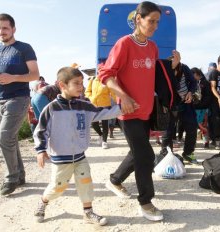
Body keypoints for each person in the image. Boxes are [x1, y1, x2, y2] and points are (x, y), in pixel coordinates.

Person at [99, 1, 179, 221]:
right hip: (127, 111)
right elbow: (105, 75)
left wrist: (173, 67)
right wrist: (123, 96)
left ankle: (115, 180)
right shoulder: (124, 44)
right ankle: (145, 202)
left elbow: (152, 74)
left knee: (136, 152)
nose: (154, 26)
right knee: (145, 155)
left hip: (146, 111)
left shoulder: (152, 47)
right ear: (138, 19)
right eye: (150, 21)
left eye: (157, 22)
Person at [33, 67, 121, 225]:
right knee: (57, 188)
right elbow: (41, 131)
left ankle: (88, 212)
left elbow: (103, 112)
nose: (81, 87)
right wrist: (40, 150)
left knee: (85, 182)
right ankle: (43, 202)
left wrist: (123, 108)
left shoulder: (83, 105)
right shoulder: (52, 108)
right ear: (63, 85)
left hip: (80, 156)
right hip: (61, 158)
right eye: (76, 83)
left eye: (82, 83)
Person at [0, 13, 40, 195]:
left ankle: (11, 178)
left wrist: (13, 78)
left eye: (5, 28)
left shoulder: (24, 48)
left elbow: (34, 74)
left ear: (13, 29)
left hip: (19, 98)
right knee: (9, 139)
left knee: (4, 139)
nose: (1, 31)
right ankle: (20, 175)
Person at [159, 62, 198, 164]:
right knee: (168, 131)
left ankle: (188, 154)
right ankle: (166, 155)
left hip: (186, 103)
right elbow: (159, 88)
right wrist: (162, 104)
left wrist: (190, 92)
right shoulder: (163, 70)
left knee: (192, 127)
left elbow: (193, 82)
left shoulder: (184, 68)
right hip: (169, 104)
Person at [85, 63, 116, 149]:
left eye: (103, 70)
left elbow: (113, 93)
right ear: (97, 71)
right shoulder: (93, 80)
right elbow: (87, 91)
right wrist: (91, 98)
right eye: (100, 70)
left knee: (105, 124)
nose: (101, 72)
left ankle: (104, 141)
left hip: (105, 105)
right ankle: (101, 134)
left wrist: (119, 101)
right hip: (94, 105)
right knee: (94, 123)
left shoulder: (107, 80)